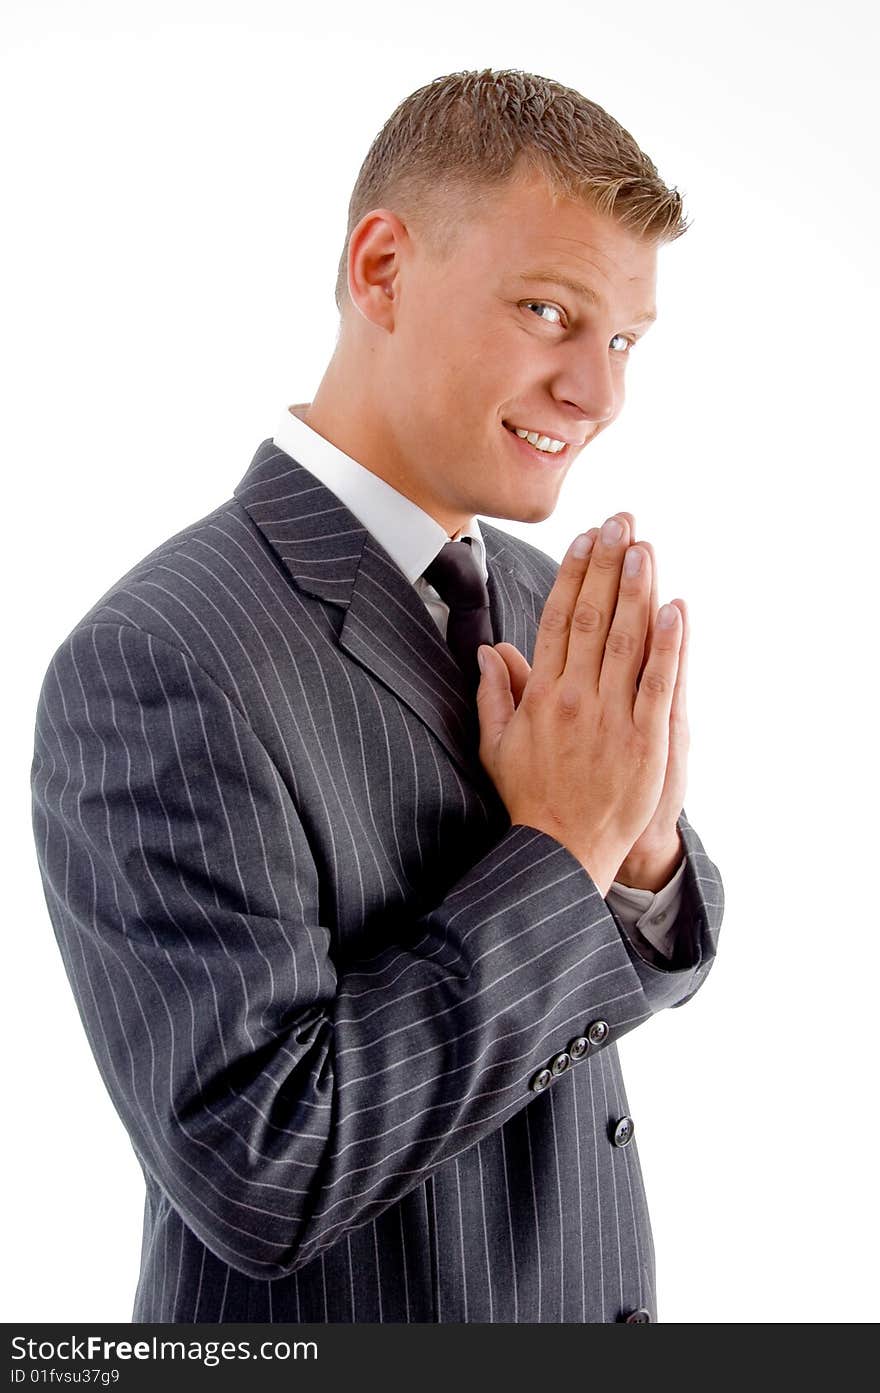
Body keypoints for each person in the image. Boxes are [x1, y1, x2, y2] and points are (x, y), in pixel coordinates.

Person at [30, 67, 724, 1324]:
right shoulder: (156, 656)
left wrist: (642, 851)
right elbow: (263, 1171)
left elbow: (638, 973)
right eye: (549, 310)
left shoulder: (533, 587)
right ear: (383, 268)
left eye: (622, 339)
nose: (599, 391)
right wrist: (565, 848)